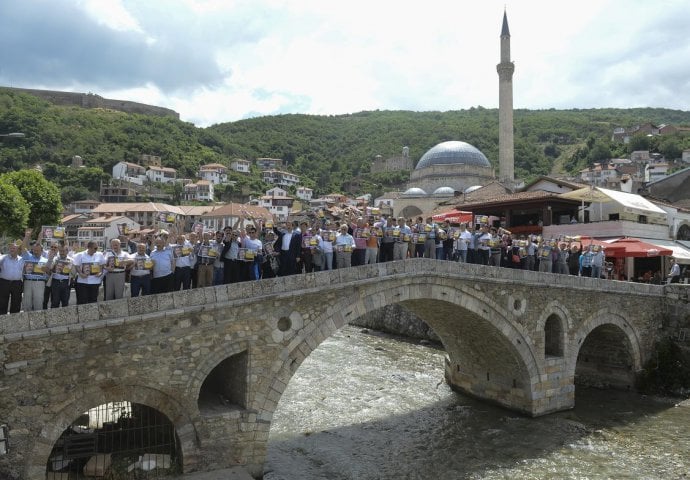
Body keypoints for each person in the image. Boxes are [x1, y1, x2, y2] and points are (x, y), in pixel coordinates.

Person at [21, 241, 49, 311]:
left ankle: (38, 321)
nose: (35, 252)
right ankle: (26, 321)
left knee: (38, 303)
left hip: (40, 283)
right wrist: (27, 237)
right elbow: (22, 247)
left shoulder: (46, 260)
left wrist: (47, 270)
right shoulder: (28, 256)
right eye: (34, 250)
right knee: (27, 303)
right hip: (28, 282)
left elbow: (49, 273)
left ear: (42, 251)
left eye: (37, 250)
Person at [0, 243, 25, 314]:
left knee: (16, 302)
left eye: (14, 248)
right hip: (4, 282)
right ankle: (2, 320)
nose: (11, 249)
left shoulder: (22, 259)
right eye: (10, 248)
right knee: (2, 302)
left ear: (18, 249)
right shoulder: (3, 257)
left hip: (17, 283)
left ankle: (14, 321)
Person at [47, 242, 74, 308]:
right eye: (60, 251)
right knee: (55, 302)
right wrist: (51, 261)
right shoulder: (55, 259)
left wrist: (68, 269)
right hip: (55, 282)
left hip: (66, 283)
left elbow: (74, 273)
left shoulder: (71, 260)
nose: (61, 253)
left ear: (67, 251)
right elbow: (49, 268)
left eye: (63, 251)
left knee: (65, 302)